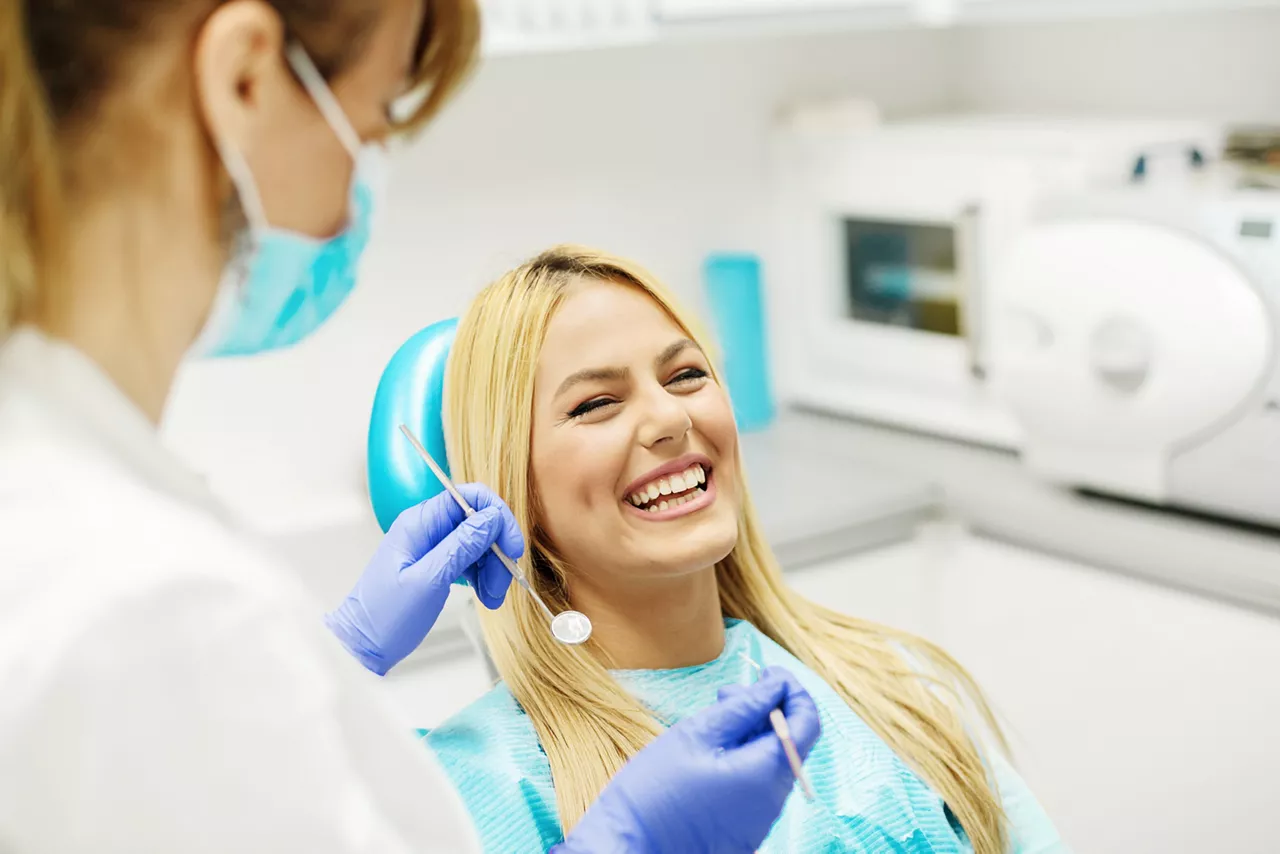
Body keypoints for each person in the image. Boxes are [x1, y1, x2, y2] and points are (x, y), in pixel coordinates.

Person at [0, 2, 821, 851]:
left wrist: (336, 657)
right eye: (380, 111)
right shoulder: (146, 604)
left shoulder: (74, 509)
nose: (364, 183)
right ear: (245, 77)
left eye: (687, 373)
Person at [424, 245, 1071, 853]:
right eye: (596, 403)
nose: (672, 419)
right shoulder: (473, 785)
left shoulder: (889, 687)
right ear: (513, 485)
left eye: (685, 375)